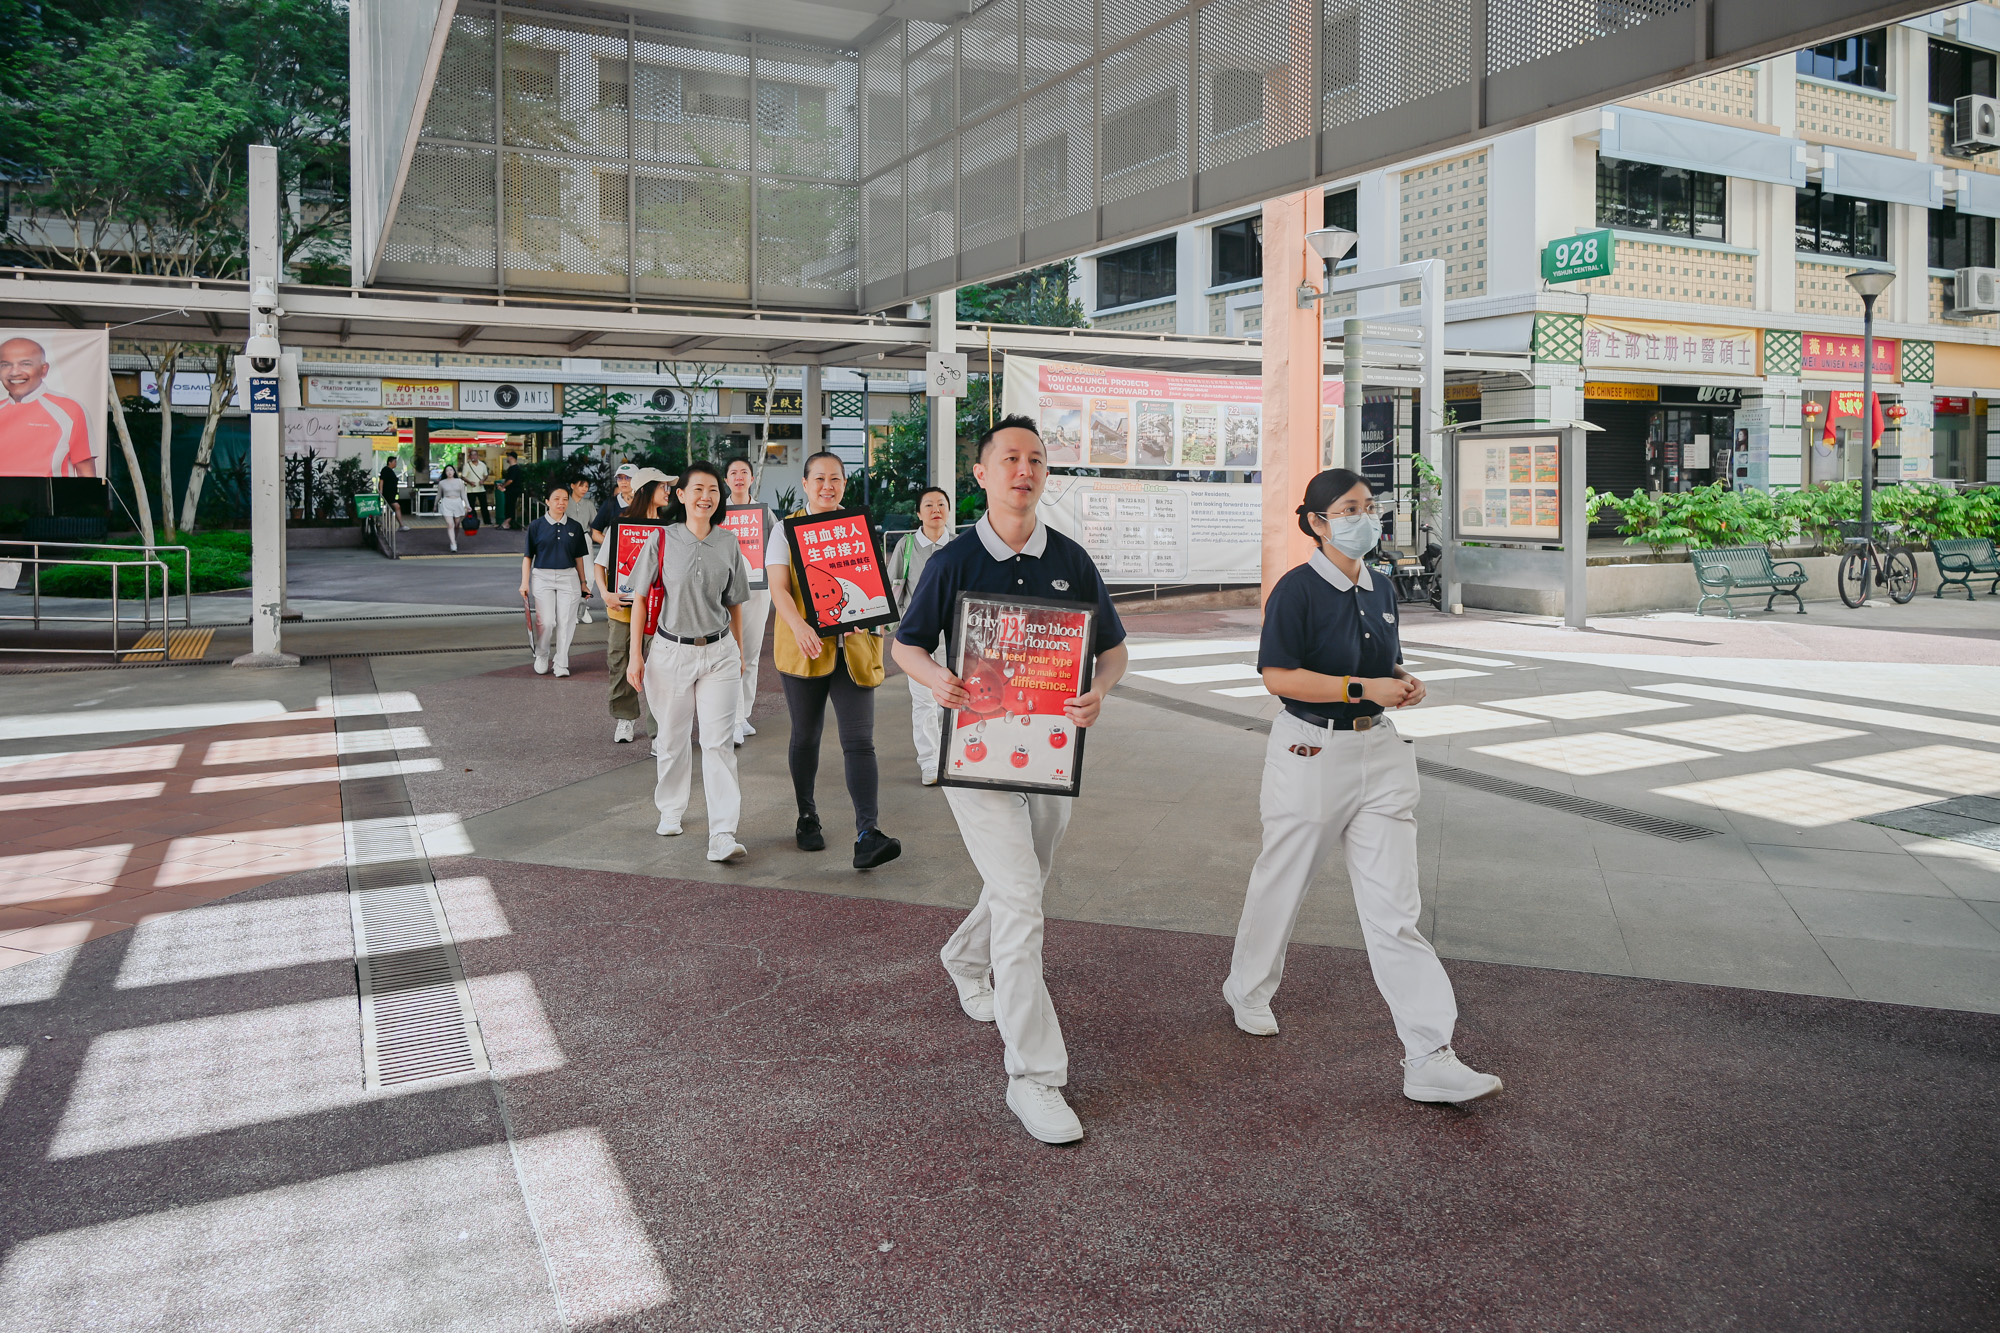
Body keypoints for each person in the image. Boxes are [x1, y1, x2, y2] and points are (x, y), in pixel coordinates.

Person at [1222, 467, 1502, 1107]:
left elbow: (1378, 659)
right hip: (1311, 750)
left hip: (1380, 750)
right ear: (1317, 522)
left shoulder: (1379, 584)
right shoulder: (1296, 590)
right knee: (1283, 880)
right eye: (1348, 509)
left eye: (1369, 506)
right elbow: (1278, 677)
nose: (1364, 518)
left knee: (1396, 911)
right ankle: (1248, 989)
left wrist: (1399, 679)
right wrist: (1360, 688)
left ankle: (1429, 1055)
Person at [890, 417, 1128, 1146]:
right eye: (1010, 459)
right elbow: (906, 645)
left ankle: (965, 955)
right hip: (976, 755)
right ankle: (1034, 1074)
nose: (1024, 470)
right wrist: (938, 679)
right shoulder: (955, 560)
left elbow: (1113, 650)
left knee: (1025, 880)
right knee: (1022, 899)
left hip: (1051, 755)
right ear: (982, 473)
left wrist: (1099, 691)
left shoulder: (1071, 559)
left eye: (1036, 459)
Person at [767, 451, 901, 871]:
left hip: (854, 649)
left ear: (845, 483)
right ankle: (807, 816)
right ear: (805, 484)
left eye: (836, 479)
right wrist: (799, 625)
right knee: (806, 735)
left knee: (859, 741)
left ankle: (868, 834)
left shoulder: (856, 527)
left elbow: (871, 583)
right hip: (805, 647)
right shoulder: (785, 529)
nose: (828, 486)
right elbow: (778, 587)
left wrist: (869, 615)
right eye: (820, 479)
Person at [625, 460, 751, 863]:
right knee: (671, 738)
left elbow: (735, 603)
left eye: (713, 490)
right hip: (670, 652)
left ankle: (722, 833)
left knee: (718, 744)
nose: (705, 497)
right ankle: (671, 809)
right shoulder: (662, 539)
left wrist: (739, 650)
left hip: (719, 653)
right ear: (680, 495)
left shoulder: (729, 542)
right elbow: (639, 599)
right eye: (697, 489)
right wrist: (635, 656)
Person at [594, 468, 672, 743]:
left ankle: (659, 731)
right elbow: (600, 564)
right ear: (648, 490)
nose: (668, 492)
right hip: (621, 611)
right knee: (620, 663)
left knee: (658, 669)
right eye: (663, 487)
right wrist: (605, 594)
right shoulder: (621, 526)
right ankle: (625, 719)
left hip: (657, 612)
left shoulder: (669, 528)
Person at [887, 486, 954, 785]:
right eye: (928, 505)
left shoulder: (959, 545)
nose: (935, 509)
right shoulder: (907, 545)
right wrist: (883, 625)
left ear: (948, 511)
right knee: (923, 701)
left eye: (941, 504)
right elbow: (893, 587)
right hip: (916, 639)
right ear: (918, 512)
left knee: (949, 698)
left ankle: (949, 755)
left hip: (953, 638)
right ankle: (929, 761)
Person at [723, 455, 771, 747]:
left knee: (751, 655)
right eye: (733, 472)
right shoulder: (718, 512)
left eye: (744, 472)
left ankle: (743, 716)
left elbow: (776, 549)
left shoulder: (764, 513)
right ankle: (733, 717)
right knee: (732, 654)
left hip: (757, 592)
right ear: (726, 480)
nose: (739, 477)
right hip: (726, 593)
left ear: (752, 479)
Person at [520, 482, 591, 677]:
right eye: (557, 499)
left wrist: (584, 583)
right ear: (547, 501)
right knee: (547, 621)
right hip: (542, 577)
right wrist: (524, 582)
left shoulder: (575, 527)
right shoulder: (536, 526)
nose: (561, 503)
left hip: (569, 577)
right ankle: (542, 654)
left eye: (565, 499)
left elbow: (579, 558)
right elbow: (528, 557)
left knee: (566, 621)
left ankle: (561, 662)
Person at [0, 337, 95, 477]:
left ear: (44, 370)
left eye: (25, 364)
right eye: (5, 365)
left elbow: (86, 472)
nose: (14, 372)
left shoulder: (70, 409)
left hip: (50, 492)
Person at [567, 478, 597, 624]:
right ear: (572, 485)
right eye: (581, 486)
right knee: (570, 575)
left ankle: (582, 607)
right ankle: (571, 610)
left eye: (586, 486)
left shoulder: (589, 504)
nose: (584, 489)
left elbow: (596, 524)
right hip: (567, 539)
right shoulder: (565, 502)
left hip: (585, 538)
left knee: (590, 575)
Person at [436, 464, 470, 552]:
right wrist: (435, 505)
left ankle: (454, 539)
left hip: (457, 502)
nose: (449, 472)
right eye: (447, 470)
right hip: (446, 502)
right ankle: (453, 544)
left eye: (451, 470)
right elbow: (439, 495)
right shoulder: (442, 483)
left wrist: (467, 505)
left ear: (454, 471)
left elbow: (463, 494)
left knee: (457, 524)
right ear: (445, 473)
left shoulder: (459, 481)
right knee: (450, 524)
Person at [463, 452, 493, 526]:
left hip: (481, 489)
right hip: (471, 490)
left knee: (484, 506)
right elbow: (463, 476)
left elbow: (486, 475)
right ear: (470, 456)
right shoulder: (467, 465)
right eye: (472, 455)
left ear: (477, 456)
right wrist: (469, 482)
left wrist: (483, 480)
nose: (473, 456)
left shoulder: (482, 465)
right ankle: (473, 521)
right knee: (471, 507)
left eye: (475, 455)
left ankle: (487, 521)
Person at [378, 456, 407, 531]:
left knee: (390, 509)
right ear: (389, 462)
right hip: (388, 494)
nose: (396, 463)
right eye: (394, 462)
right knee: (396, 506)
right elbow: (381, 480)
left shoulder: (391, 471)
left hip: (392, 494)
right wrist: (381, 490)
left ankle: (389, 526)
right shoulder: (385, 470)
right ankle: (400, 525)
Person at [500, 451, 525, 528]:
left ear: (511, 458)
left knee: (509, 506)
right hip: (512, 490)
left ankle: (507, 523)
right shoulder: (514, 468)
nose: (507, 458)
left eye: (508, 456)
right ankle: (508, 522)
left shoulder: (513, 468)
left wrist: (503, 486)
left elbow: (510, 480)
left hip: (512, 491)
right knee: (509, 506)